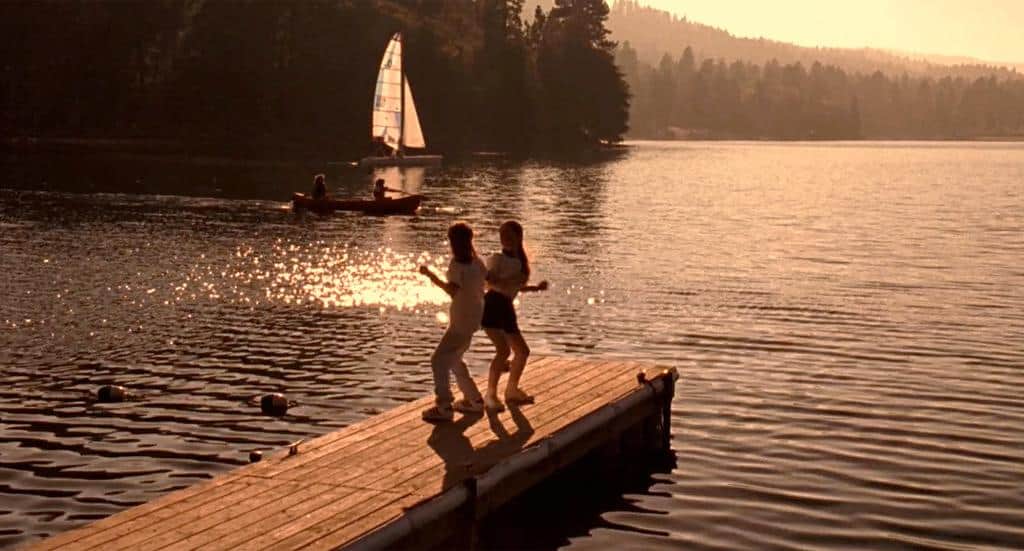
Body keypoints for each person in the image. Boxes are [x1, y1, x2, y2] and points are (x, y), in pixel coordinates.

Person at [418, 222, 488, 422]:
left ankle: (444, 405)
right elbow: (486, 283)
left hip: (460, 323)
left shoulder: (457, 265)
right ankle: (474, 401)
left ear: (454, 242)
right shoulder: (478, 263)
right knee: (455, 359)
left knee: (438, 360)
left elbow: (452, 291)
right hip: (473, 319)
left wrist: (430, 275)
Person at [481, 220, 549, 412]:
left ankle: (511, 390)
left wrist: (535, 288)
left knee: (522, 351)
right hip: (493, 305)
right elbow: (491, 282)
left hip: (506, 308)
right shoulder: (497, 259)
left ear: (519, 237)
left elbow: (513, 286)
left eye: (509, 236)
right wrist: (489, 277)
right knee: (503, 352)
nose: (505, 239)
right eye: (502, 235)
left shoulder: (519, 261)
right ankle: (491, 395)